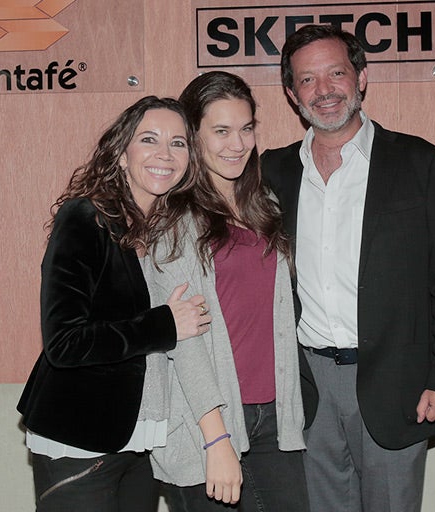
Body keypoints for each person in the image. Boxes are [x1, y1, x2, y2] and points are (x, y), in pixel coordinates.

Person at [260, 25, 435, 512]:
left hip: (396, 381)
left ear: (360, 77)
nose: (324, 90)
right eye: (307, 79)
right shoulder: (272, 172)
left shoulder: (417, 162)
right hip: (307, 386)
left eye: (336, 73)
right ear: (292, 94)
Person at [16, 96, 214, 512]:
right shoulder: (84, 218)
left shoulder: (163, 231)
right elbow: (65, 343)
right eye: (149, 139)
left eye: (178, 143)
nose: (165, 153)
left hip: (139, 441)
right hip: (78, 439)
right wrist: (165, 325)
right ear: (122, 155)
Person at [144, 71, 309, 511]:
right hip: (207, 421)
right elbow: (185, 339)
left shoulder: (264, 205)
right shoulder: (172, 220)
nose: (237, 144)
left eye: (246, 128)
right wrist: (215, 438)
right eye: (221, 131)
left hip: (274, 415)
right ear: (193, 136)